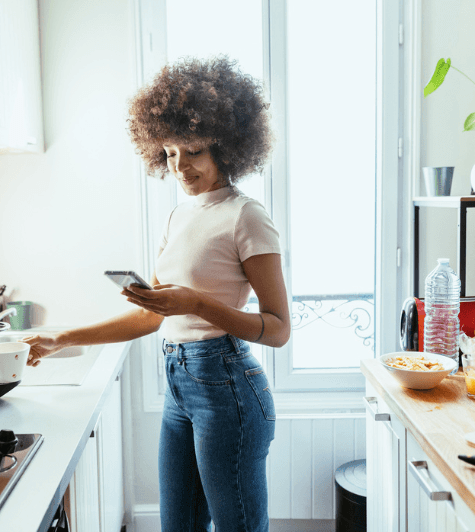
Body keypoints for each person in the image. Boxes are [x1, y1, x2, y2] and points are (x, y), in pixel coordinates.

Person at [23, 55, 290, 532]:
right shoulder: (178, 216)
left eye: (194, 151)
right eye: (169, 153)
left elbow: (278, 329)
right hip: (179, 385)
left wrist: (197, 303)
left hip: (227, 386)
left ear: (226, 147)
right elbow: (152, 317)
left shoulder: (246, 216)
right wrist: (61, 339)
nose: (180, 167)